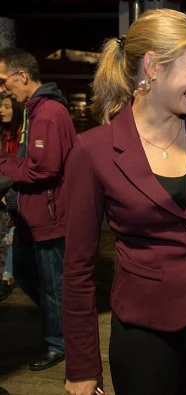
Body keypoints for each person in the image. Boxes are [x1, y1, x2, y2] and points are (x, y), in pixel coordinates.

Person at [62, 10, 186, 395]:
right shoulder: (94, 150)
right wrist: (82, 366)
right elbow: (78, 269)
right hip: (146, 327)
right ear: (153, 66)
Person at [0, 47, 77, 371]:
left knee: (52, 283)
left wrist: (4, 168)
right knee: (26, 273)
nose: (3, 88)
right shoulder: (36, 109)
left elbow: (43, 169)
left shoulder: (47, 113)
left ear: (22, 76)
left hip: (50, 215)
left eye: (4, 80)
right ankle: (59, 327)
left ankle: (59, 342)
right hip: (36, 214)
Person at [0, 94, 22, 301]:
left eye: (7, 106)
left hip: (13, 193)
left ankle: (6, 279)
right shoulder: (3, 134)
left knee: (10, 236)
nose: (1, 110)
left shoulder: (20, 134)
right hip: (3, 191)